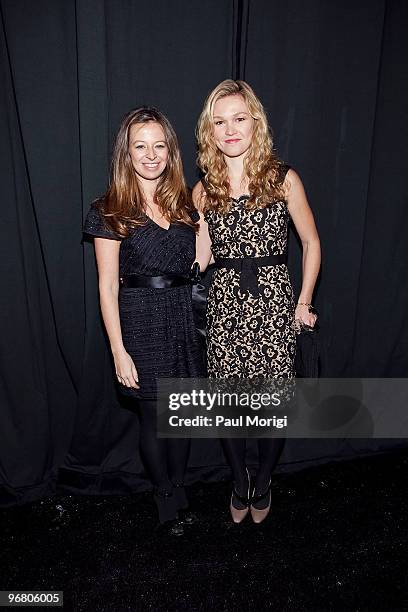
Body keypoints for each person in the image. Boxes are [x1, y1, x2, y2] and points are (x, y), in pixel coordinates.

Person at [193, 80, 321, 524]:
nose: (230, 130)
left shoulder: (284, 179)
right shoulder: (202, 190)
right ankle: (237, 478)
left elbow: (310, 241)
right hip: (225, 307)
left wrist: (303, 302)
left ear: (256, 123)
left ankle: (264, 479)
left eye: (239, 119)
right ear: (210, 131)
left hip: (272, 303)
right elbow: (201, 257)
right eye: (220, 121)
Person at [83, 107, 203, 536]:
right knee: (154, 416)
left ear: (170, 152)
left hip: (183, 318)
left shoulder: (186, 203)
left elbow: (200, 263)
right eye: (140, 146)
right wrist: (119, 350)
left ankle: (181, 483)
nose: (151, 155)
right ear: (126, 153)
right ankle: (164, 491)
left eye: (159, 146)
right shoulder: (109, 209)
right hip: (139, 321)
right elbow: (106, 286)